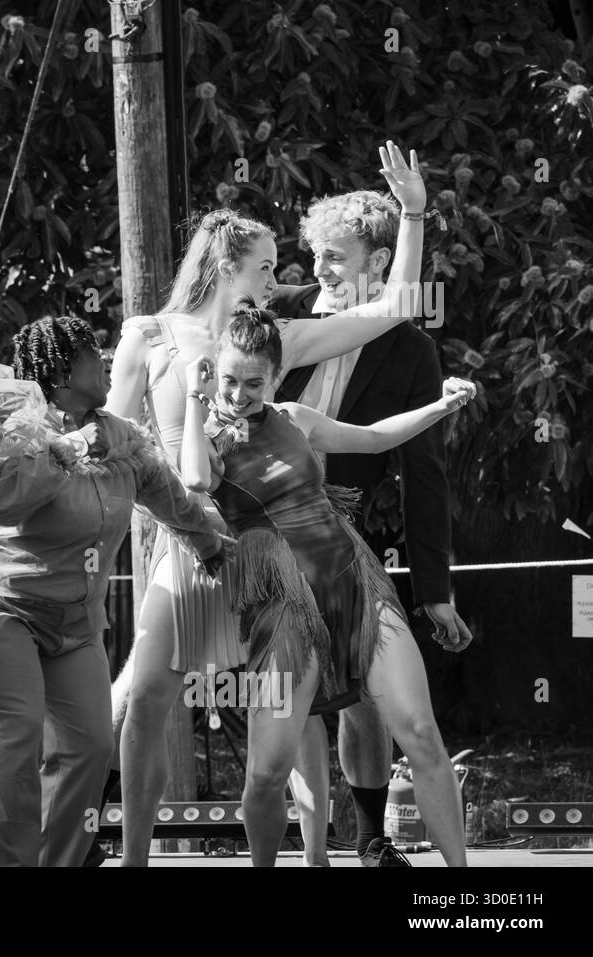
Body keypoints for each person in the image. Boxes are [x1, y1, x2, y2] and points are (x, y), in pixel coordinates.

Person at [104, 141, 430, 865]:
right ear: (228, 265)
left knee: (297, 711)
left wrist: (412, 214)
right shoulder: (148, 336)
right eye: (264, 266)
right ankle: (129, 856)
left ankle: (312, 857)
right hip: (186, 547)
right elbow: (114, 439)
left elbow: (395, 305)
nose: (278, 278)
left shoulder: (272, 339)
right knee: (150, 692)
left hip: (271, 551)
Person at [179, 301, 473, 867]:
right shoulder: (207, 435)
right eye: (230, 379)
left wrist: (442, 404)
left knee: (419, 730)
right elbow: (194, 480)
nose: (240, 393)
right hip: (283, 604)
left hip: (353, 577)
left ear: (276, 377)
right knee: (266, 771)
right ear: (214, 369)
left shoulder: (293, 416)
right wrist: (197, 398)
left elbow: (374, 438)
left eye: (254, 382)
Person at [0, 316, 228, 867]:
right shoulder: (11, 422)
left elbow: (168, 496)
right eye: (95, 352)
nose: (106, 361)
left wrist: (211, 544)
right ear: (65, 372)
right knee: (18, 735)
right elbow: (0, 498)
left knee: (91, 746)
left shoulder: (118, 434)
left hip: (74, 621)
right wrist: (61, 450)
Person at [270, 189, 472, 867]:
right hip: (264, 535)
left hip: (343, 531)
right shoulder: (276, 315)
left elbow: (426, 471)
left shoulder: (411, 348)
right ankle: (312, 852)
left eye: (336, 254)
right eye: (316, 252)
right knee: (296, 702)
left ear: (380, 259)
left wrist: (434, 590)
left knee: (363, 698)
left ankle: (371, 839)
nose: (319, 266)